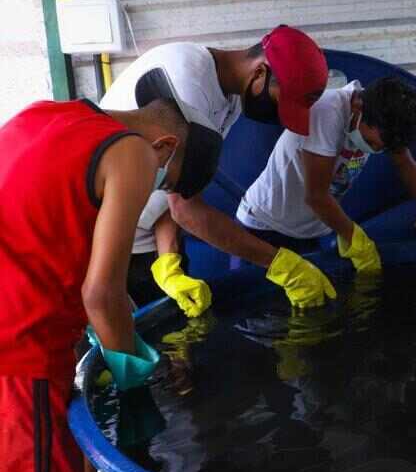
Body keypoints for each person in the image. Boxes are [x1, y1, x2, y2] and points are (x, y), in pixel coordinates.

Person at [0, 72, 222, 472]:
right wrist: (131, 378)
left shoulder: (46, 115)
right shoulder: (133, 152)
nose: (155, 187)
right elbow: (101, 293)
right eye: (166, 182)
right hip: (16, 355)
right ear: (164, 147)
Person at [100, 24, 336, 312]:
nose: (276, 114)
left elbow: (176, 190)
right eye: (280, 102)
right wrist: (282, 264)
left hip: (150, 238)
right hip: (110, 239)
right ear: (260, 72)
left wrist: (168, 261)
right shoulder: (186, 84)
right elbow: (186, 210)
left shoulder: (232, 98)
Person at [237, 76, 416, 271]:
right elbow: (316, 196)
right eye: (372, 143)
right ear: (358, 107)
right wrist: (353, 236)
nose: (376, 150)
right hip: (267, 226)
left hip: (311, 227)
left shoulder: (382, 116)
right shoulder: (326, 113)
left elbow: (404, 161)